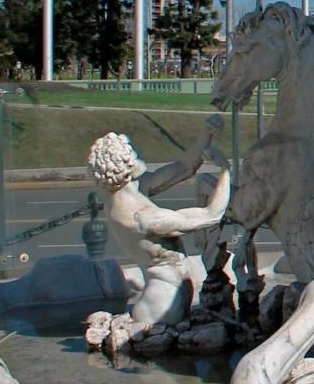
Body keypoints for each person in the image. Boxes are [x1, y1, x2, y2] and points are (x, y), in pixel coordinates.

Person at [88, 122, 231, 326]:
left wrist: (206, 134)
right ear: (125, 164)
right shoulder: (142, 218)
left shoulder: (129, 192)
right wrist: (226, 170)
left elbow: (183, 168)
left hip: (165, 300)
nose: (140, 154)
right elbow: (211, 215)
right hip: (161, 306)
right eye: (135, 154)